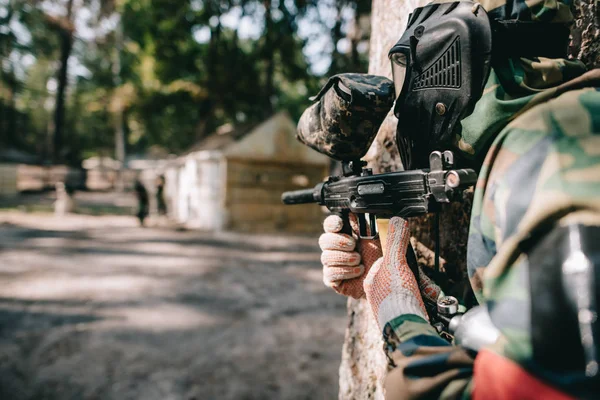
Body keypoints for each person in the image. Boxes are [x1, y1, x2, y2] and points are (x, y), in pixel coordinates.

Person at [318, 0, 600, 398]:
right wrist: (422, 295)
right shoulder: (567, 129)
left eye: (411, 70)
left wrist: (397, 309)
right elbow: (518, 350)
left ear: (453, 54)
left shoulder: (554, 144)